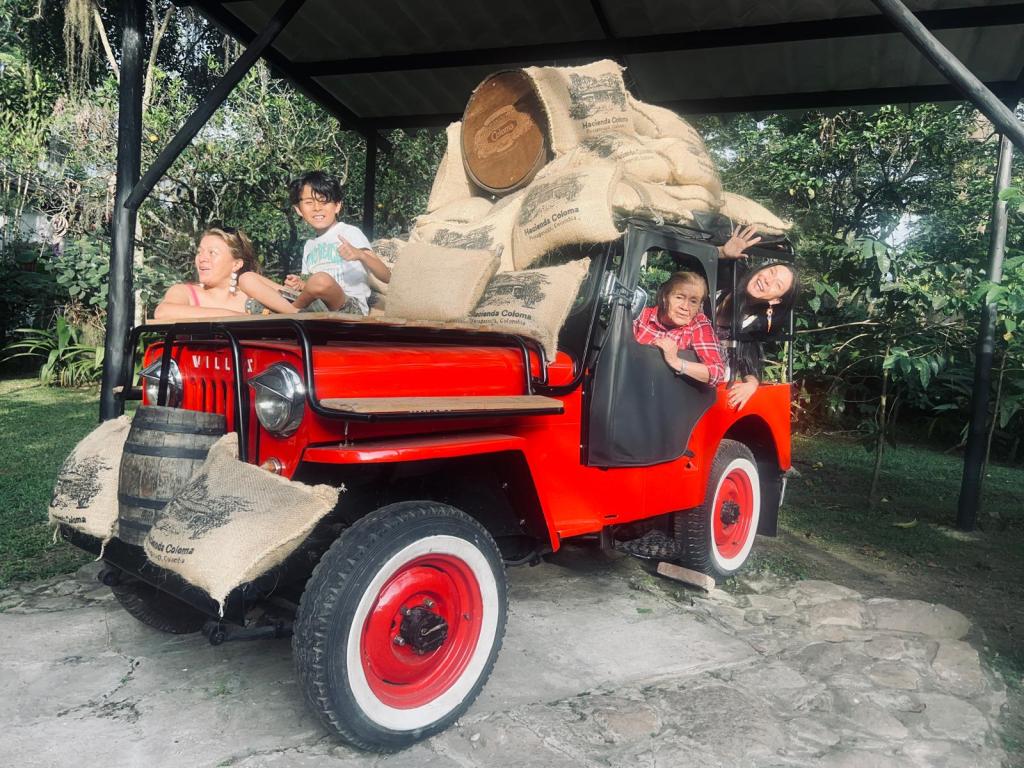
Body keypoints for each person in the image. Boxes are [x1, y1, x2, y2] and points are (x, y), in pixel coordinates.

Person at [238, 171, 391, 315]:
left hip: (348, 307)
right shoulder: (309, 245)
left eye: (323, 202)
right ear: (298, 209)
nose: (317, 208)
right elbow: (308, 286)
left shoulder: (350, 232)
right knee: (247, 278)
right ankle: (295, 313)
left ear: (337, 206)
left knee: (321, 280)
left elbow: (387, 276)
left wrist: (361, 255)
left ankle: (286, 313)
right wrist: (299, 284)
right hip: (314, 306)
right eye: (309, 202)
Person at [633, 270, 725, 386]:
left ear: (699, 307)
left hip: (670, 396)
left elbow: (717, 373)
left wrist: (675, 361)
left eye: (693, 301)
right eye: (679, 297)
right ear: (665, 297)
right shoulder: (641, 317)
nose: (685, 307)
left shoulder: (698, 325)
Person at [153, 226, 258, 320]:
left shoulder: (251, 297)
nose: (202, 258)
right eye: (199, 252)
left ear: (236, 264)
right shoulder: (185, 292)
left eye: (212, 252)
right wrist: (238, 317)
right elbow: (163, 312)